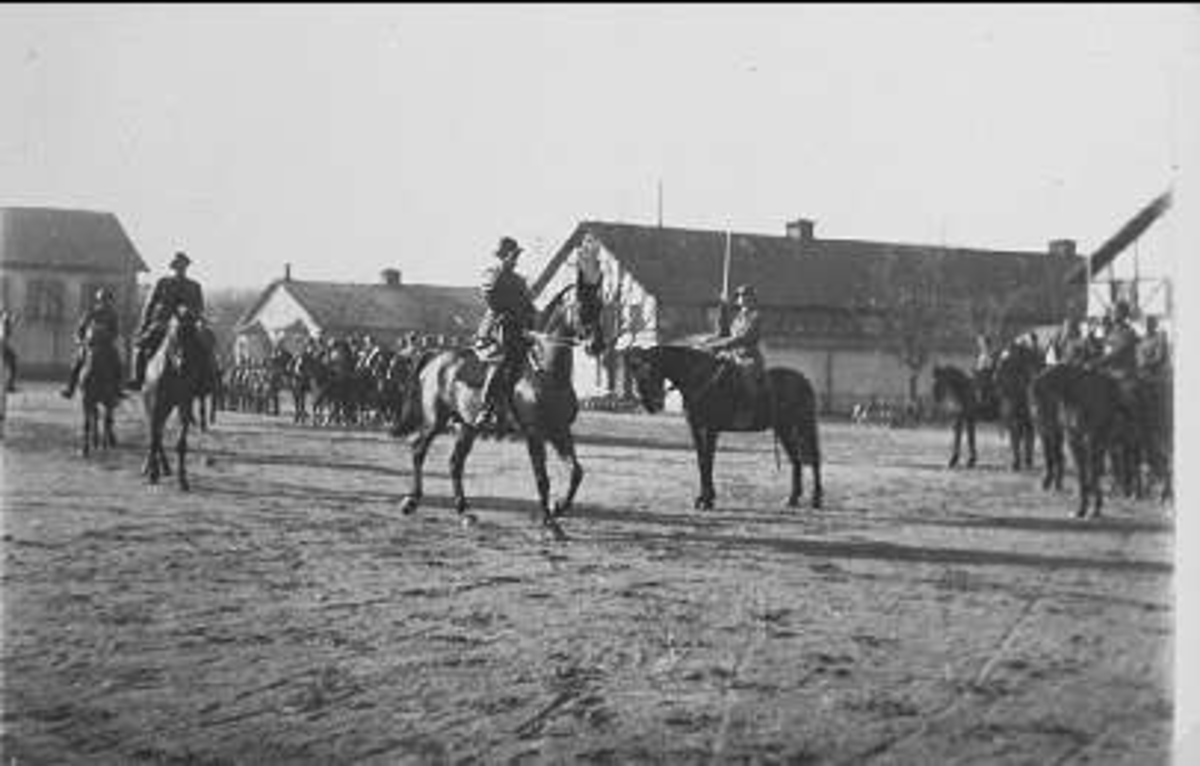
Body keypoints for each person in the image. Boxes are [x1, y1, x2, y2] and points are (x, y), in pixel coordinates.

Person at [472, 236, 537, 431]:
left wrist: (532, 317)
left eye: (516, 255)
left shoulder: (519, 280)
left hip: (518, 328)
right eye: (512, 255)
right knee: (502, 360)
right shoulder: (491, 275)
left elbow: (527, 303)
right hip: (496, 329)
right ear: (502, 256)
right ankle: (485, 409)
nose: (515, 259)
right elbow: (493, 299)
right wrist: (514, 312)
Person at [127, 251, 206, 390]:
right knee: (140, 346)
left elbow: (200, 308)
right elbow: (150, 305)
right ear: (174, 268)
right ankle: (138, 379)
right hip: (162, 325)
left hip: (186, 327)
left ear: (186, 268)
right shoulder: (163, 283)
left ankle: (206, 381)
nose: (180, 269)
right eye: (178, 267)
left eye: (182, 266)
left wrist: (191, 314)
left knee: (204, 348)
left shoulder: (194, 286)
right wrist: (145, 325)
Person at [702, 283, 768, 424]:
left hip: (748, 358)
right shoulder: (738, 317)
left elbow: (743, 338)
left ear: (752, 298)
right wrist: (722, 309)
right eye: (739, 296)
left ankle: (749, 409)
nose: (742, 298)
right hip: (732, 356)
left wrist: (718, 345)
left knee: (745, 377)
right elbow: (724, 333)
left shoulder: (756, 317)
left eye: (745, 295)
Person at [61, 287, 122, 399]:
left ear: (110, 301)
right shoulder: (90, 313)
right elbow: (80, 329)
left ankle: (118, 389)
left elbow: (116, 331)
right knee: (77, 362)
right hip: (89, 344)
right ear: (98, 301)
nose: (104, 303)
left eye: (107, 300)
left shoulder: (113, 315)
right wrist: (79, 340)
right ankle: (70, 388)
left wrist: (110, 337)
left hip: (106, 345)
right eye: (102, 300)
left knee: (117, 361)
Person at [1, 309, 17, 393]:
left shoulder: (5, 322)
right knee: (10, 362)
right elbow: (4, 335)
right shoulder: (4, 321)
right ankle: (8, 385)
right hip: (2, 344)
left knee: (11, 361)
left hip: (3, 344)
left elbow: (7, 332)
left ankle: (9, 384)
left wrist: (13, 321)